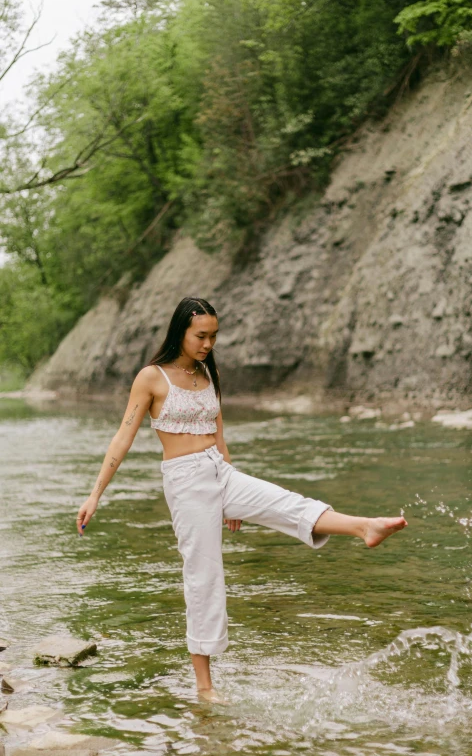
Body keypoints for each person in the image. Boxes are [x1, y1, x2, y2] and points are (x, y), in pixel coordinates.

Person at [76, 296, 407, 702]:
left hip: (220, 471)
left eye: (214, 336)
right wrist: (96, 494)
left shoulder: (207, 372)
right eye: (201, 335)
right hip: (186, 482)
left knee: (284, 501)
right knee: (204, 578)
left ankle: (363, 527)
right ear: (180, 331)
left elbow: (219, 435)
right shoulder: (151, 377)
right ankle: (204, 687)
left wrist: (233, 501)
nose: (208, 344)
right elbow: (123, 437)